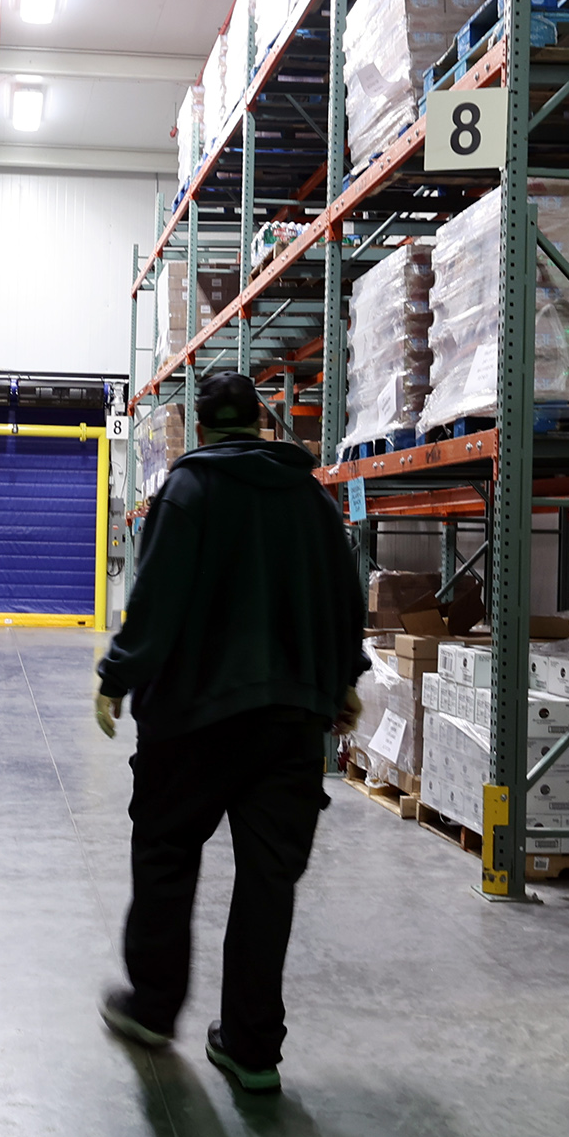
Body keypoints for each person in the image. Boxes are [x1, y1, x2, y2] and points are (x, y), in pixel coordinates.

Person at [92, 368, 366, 1093]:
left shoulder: (188, 491)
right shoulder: (312, 500)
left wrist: (117, 676)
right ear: (261, 427)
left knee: (166, 857)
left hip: (192, 721)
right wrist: (343, 678)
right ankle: (250, 1048)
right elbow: (347, 597)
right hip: (288, 727)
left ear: (203, 430)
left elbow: (156, 603)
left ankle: (152, 1008)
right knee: (268, 882)